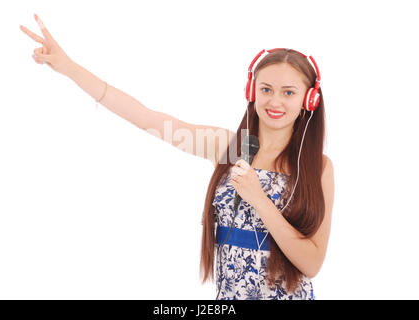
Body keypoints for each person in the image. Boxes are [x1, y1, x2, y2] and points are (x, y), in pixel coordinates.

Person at [20, 14, 334, 300]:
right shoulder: (229, 147)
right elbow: (146, 118)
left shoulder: (317, 167)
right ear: (252, 92)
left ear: (309, 99)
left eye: (289, 92)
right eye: (266, 89)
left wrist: (260, 200)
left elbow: (312, 262)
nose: (274, 101)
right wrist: (69, 67)